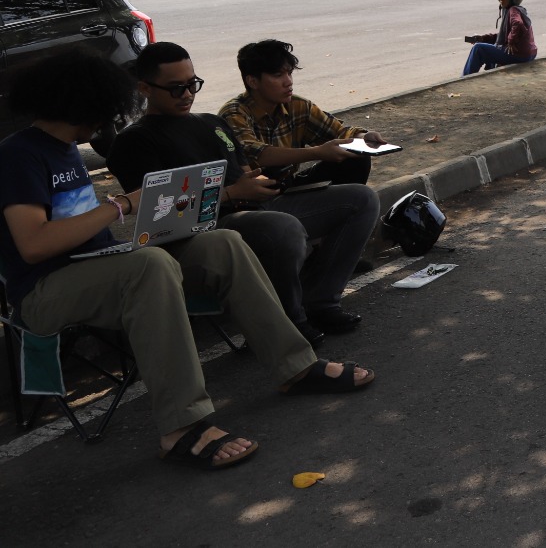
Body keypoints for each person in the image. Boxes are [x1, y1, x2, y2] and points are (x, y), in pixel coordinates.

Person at [0, 50, 376, 471]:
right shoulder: (20, 155)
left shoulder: (65, 148)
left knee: (222, 242)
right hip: (44, 290)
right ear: (83, 107)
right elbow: (33, 245)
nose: (104, 126)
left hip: (102, 266)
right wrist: (122, 204)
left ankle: (296, 366)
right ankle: (182, 427)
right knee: (151, 266)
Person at [109, 41, 326, 346]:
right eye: (175, 88)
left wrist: (257, 181)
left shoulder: (212, 123)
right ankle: (289, 327)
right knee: (281, 227)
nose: (186, 95)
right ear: (145, 88)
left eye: (192, 85)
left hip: (253, 210)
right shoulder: (135, 142)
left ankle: (322, 302)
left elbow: (241, 171)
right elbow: (160, 215)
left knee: (357, 199)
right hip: (200, 235)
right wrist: (231, 193)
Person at [218, 40, 381, 336]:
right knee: (286, 227)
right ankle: (289, 321)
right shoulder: (232, 114)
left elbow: (340, 131)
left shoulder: (297, 106)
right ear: (252, 81)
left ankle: (322, 302)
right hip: (250, 206)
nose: (288, 81)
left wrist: (364, 136)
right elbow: (256, 153)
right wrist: (317, 152)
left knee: (363, 194)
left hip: (287, 192)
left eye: (290, 73)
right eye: (278, 75)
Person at [463, 0, 537, 75]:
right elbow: (504, 35)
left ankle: (465, 79)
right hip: (528, 53)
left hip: (519, 54)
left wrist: (511, 41)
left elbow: (518, 24)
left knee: (478, 49)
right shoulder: (516, 10)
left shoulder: (513, 10)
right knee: (489, 47)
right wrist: (483, 38)